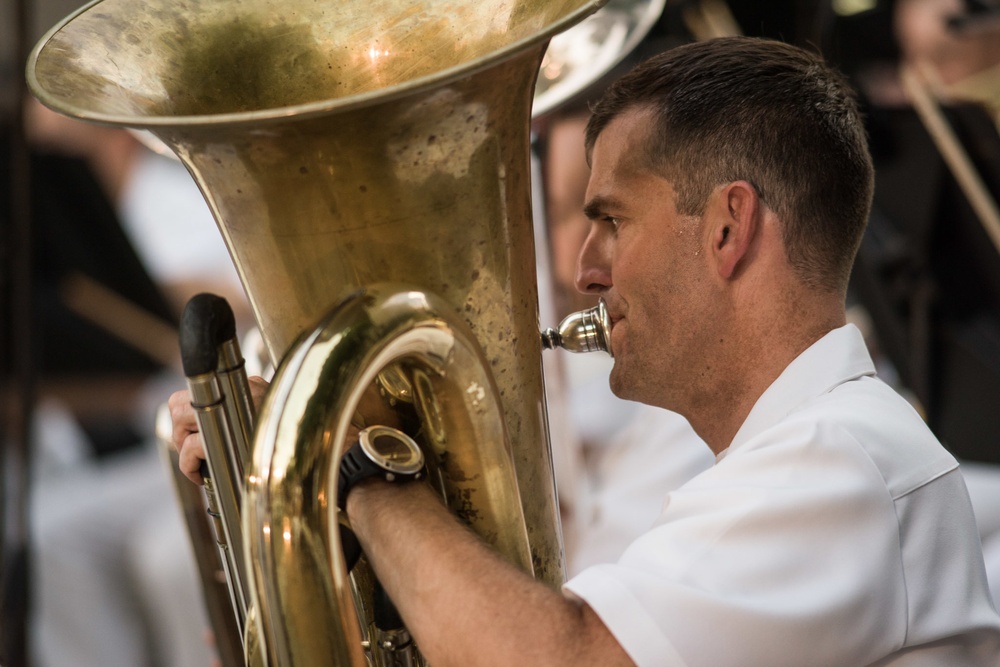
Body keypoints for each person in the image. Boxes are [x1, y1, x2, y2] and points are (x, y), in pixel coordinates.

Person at [172, 36, 1000, 664]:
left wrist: (350, 467)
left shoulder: (837, 460)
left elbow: (558, 656)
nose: (582, 269)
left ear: (726, 226)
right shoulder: (797, 457)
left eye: (611, 221)